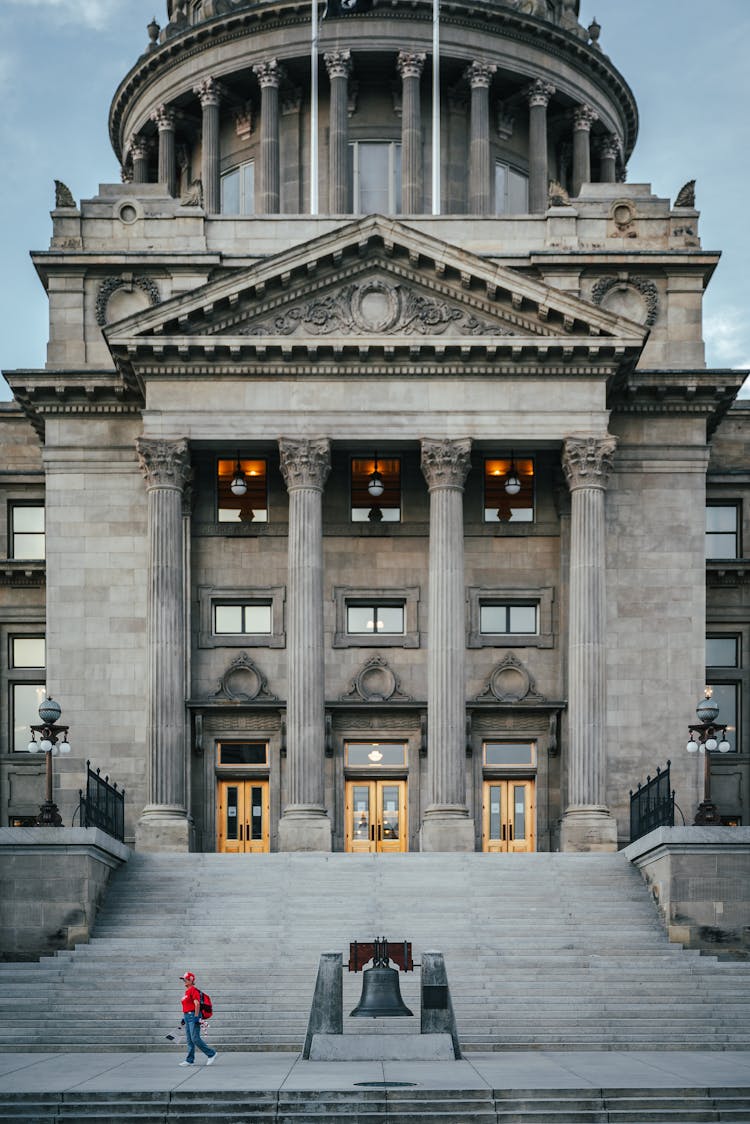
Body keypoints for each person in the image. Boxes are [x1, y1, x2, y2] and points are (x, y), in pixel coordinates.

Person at [178, 970, 217, 1066]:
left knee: (195, 1038)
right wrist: (185, 1017)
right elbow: (187, 1005)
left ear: (191, 981)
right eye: (184, 980)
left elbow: (197, 1004)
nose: (184, 981)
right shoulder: (187, 991)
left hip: (193, 1016)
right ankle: (189, 1060)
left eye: (186, 980)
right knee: (189, 1039)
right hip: (187, 1016)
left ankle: (211, 1053)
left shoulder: (193, 990)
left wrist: (196, 1016)